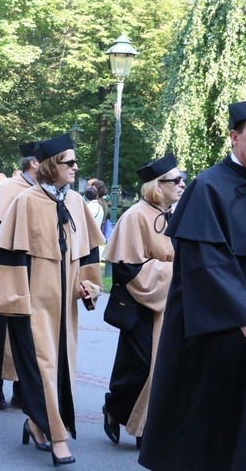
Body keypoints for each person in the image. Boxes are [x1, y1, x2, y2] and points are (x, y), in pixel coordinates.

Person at [139, 96, 246, 470]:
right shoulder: (208, 187)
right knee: (217, 418)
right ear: (234, 137)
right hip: (222, 332)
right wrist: (244, 315)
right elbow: (206, 263)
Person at [0, 133, 105, 466]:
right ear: (52, 166)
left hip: (66, 305)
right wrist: (16, 302)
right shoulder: (25, 202)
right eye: (69, 162)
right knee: (44, 368)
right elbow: (11, 257)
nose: (75, 167)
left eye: (76, 161)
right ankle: (57, 436)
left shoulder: (77, 203)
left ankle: (34, 423)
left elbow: (89, 256)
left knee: (62, 368)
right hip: (33, 302)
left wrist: (90, 288)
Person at [101, 154, 183, 449]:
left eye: (181, 177)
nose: (182, 183)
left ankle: (145, 427)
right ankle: (115, 408)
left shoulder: (176, 214)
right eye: (176, 179)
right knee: (139, 367)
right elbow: (127, 267)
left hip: (170, 303)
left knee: (164, 367)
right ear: (157, 186)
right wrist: (175, 273)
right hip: (141, 305)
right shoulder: (136, 215)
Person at [0, 140, 39, 410]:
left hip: (35, 269)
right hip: (5, 269)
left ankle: (20, 386)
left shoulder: (48, 192)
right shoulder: (7, 189)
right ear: (34, 163)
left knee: (29, 329)